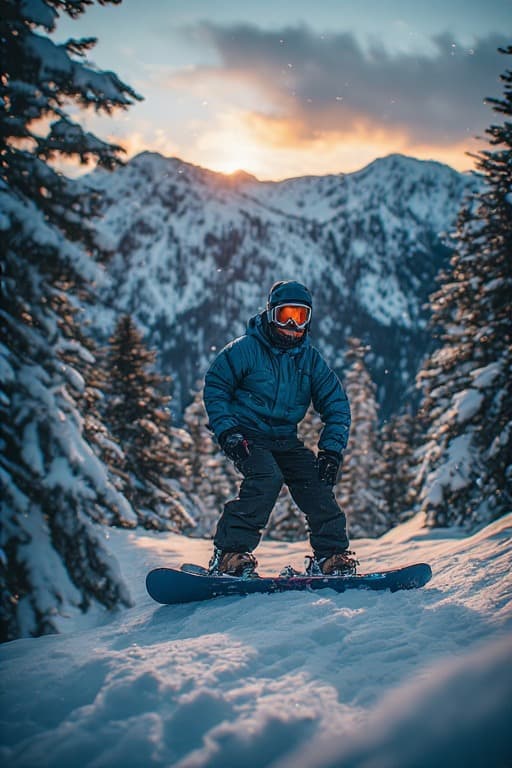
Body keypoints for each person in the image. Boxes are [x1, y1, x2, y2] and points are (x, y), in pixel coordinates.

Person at [203, 280, 357, 578]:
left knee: (316, 484)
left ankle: (329, 556)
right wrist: (228, 431)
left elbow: (337, 405)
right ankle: (229, 554)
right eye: (285, 314)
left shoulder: (310, 361)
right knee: (266, 478)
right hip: (247, 436)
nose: (290, 324)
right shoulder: (246, 350)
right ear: (270, 314)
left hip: (285, 438)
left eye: (299, 317)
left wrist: (331, 450)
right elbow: (216, 387)